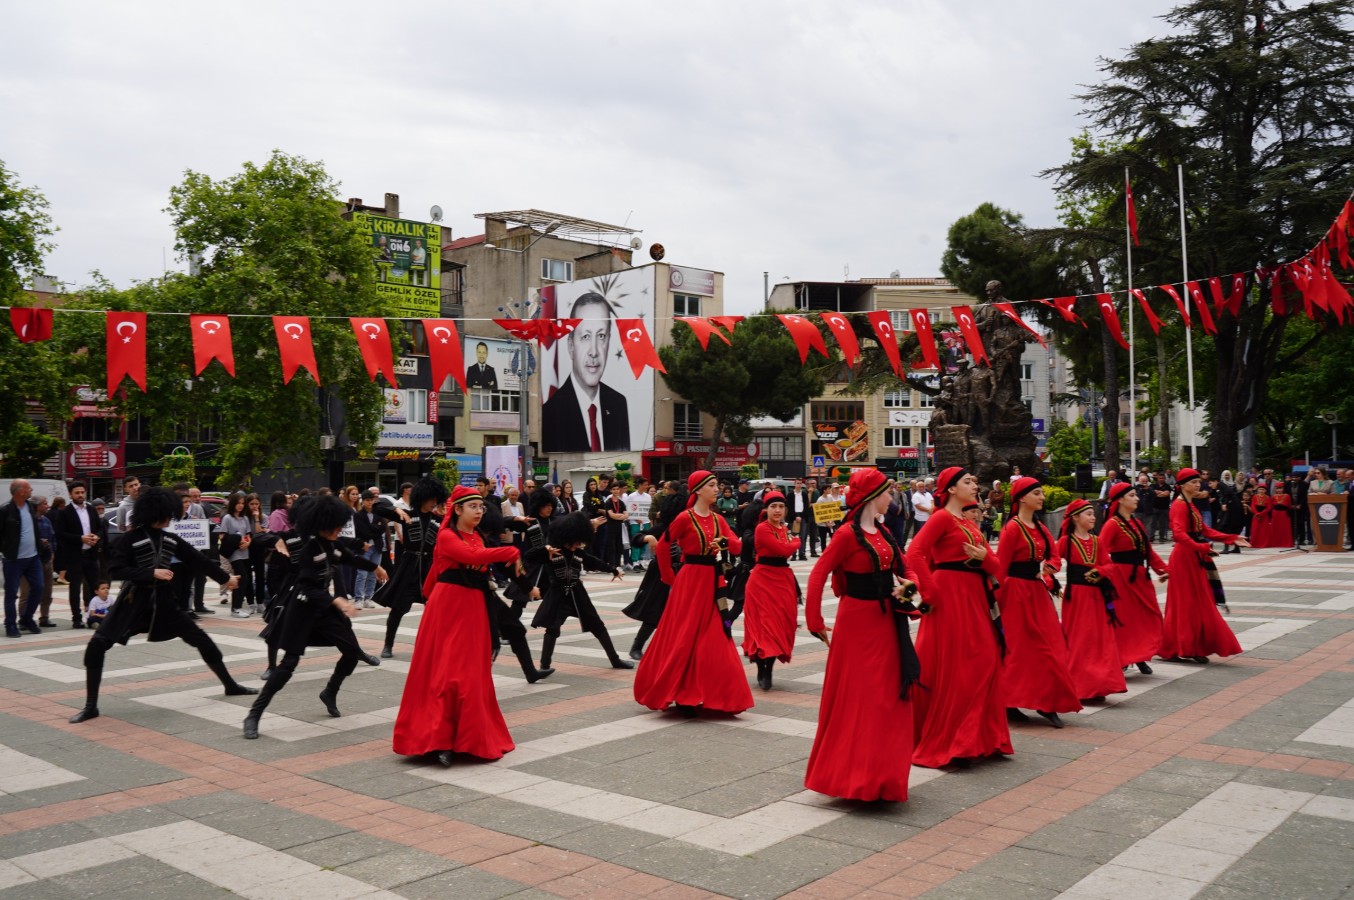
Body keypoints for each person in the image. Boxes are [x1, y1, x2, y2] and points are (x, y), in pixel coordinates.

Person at [68, 487, 256, 724]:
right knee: (96, 645)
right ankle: (90, 706)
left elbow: (197, 560)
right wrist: (150, 573)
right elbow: (116, 570)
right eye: (168, 514)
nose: (171, 518)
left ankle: (230, 685)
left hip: (165, 603)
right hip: (133, 602)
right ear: (155, 513)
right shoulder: (130, 539)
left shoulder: (170, 538)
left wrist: (225, 578)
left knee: (201, 639)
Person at [804, 470, 920, 800]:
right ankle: (854, 776)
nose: (892, 497)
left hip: (886, 623)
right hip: (857, 624)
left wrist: (912, 586)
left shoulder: (883, 531)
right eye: (888, 492)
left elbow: (906, 567)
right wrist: (816, 622)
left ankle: (882, 775)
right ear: (872, 496)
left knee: (887, 699)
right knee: (862, 699)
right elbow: (818, 574)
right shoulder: (846, 535)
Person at [392, 485, 522, 763]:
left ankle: (467, 739)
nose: (479, 511)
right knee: (447, 672)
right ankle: (440, 740)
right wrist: (510, 552)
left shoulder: (476, 537)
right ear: (458, 509)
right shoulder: (447, 535)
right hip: (449, 607)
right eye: (473, 507)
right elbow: (473, 559)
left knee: (472, 671)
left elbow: (482, 566)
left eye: (481, 507)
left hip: (473, 606)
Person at [242, 495, 386, 739]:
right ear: (322, 525)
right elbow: (307, 586)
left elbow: (351, 557)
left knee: (351, 652)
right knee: (288, 665)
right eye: (336, 526)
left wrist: (376, 567)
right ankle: (254, 714)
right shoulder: (310, 548)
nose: (339, 529)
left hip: (324, 610)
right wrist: (336, 600)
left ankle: (330, 691)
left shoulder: (332, 544)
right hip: (302, 609)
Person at [907, 467, 1012, 768]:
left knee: (986, 660)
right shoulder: (940, 517)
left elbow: (997, 567)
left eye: (975, 481)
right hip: (950, 595)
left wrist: (983, 558)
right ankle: (957, 741)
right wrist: (930, 593)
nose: (974, 485)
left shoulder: (969, 523)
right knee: (960, 665)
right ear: (950, 488)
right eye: (968, 482)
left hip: (973, 595)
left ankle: (982, 738)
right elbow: (915, 553)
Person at [633, 470, 753, 717]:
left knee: (716, 633)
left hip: (713, 580)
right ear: (697, 489)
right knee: (685, 634)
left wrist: (724, 542)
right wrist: (669, 577)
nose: (716, 488)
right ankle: (683, 694)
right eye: (711, 485)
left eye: (716, 485)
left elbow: (737, 546)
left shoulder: (719, 519)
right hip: (689, 581)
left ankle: (714, 693)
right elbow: (665, 544)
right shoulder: (685, 518)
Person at [994, 477, 1081, 727]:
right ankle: (1012, 700)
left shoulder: (1041, 527)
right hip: (1016, 594)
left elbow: (1054, 555)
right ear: (1022, 498)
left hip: (1036, 592)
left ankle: (1047, 699)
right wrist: (994, 600)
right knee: (1021, 649)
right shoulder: (1012, 528)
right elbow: (1001, 566)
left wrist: (1049, 569)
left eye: (1042, 493)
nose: (1042, 497)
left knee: (1051, 644)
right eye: (1037, 493)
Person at [1160, 468, 1248, 663]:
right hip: (1185, 557)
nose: (1198, 485)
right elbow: (1179, 534)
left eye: (1199, 481)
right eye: (1193, 482)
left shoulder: (1191, 505)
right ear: (1182, 485)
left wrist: (1232, 538)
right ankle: (1185, 646)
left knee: (1199, 602)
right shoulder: (1180, 505)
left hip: (1194, 556)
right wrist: (1201, 547)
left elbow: (1205, 530)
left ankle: (1192, 645)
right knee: (1187, 603)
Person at [528, 511, 632, 670]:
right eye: (575, 541)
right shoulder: (552, 551)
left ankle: (615, 660)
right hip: (558, 594)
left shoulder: (578, 552)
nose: (578, 544)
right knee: (553, 629)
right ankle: (544, 665)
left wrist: (613, 570)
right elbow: (528, 557)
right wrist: (544, 550)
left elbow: (594, 561)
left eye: (580, 541)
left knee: (598, 625)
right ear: (566, 537)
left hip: (578, 594)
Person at [1056, 499, 1127, 704]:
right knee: (1079, 640)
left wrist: (1100, 571)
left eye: (1093, 514)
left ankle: (1098, 684)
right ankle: (1079, 686)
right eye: (1088, 514)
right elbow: (1051, 561)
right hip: (1076, 598)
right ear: (1075, 518)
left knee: (1099, 640)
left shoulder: (1098, 542)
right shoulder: (1066, 542)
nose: (1093, 517)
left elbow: (1109, 565)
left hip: (1097, 597)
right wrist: (1051, 580)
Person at [541, 292, 631, 452]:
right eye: (585, 337)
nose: (594, 351)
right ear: (570, 346)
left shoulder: (618, 404)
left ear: (609, 341)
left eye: (601, 336)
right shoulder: (551, 412)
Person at [1098, 482, 1167, 674]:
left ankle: (1140, 654)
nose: (1137, 499)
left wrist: (1163, 569)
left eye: (1136, 495)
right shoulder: (1112, 524)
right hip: (1121, 578)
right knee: (1125, 619)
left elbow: (1148, 551)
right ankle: (1126, 657)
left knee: (1148, 616)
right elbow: (1100, 550)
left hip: (1140, 577)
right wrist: (1102, 573)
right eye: (1132, 495)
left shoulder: (1136, 523)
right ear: (1120, 500)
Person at [375, 477, 447, 659]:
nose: (434, 503)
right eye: (432, 499)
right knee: (398, 608)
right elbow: (376, 507)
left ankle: (434, 644)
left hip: (430, 568)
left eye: (436, 499)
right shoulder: (407, 514)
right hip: (409, 567)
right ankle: (388, 644)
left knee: (436, 609)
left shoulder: (439, 519)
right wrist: (397, 509)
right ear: (423, 497)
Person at [742, 491, 802, 691]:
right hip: (762, 581)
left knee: (781, 624)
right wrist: (796, 541)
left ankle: (769, 668)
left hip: (783, 580)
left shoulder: (784, 529)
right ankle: (763, 669)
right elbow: (783, 550)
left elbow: (784, 549)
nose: (777, 511)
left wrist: (791, 540)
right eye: (773, 506)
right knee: (763, 626)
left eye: (781, 507)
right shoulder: (762, 528)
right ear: (766, 509)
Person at [622, 484, 686, 660]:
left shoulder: (690, 529)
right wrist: (648, 538)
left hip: (685, 575)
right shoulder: (664, 528)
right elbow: (636, 538)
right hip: (661, 576)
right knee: (654, 612)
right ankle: (637, 646)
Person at [54, 480, 105, 629]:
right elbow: (60, 533)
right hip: (75, 555)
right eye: (77, 493)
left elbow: (101, 528)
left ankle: (94, 616)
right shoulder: (64, 512)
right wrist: (80, 538)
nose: (80, 495)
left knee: (95, 586)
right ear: (71, 494)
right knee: (75, 587)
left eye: (82, 492)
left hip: (91, 554)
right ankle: (76, 618)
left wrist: (97, 536)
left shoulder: (91, 510)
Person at [1, 479, 45, 638]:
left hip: (33, 557)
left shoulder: (31, 507)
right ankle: (10, 624)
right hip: (13, 560)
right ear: (20, 491)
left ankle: (26, 619)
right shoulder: (5, 510)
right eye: (28, 488)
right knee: (11, 593)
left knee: (39, 588)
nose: (31, 490)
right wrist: (5, 550)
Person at [19, 496, 57, 628]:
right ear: (37, 506)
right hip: (30, 561)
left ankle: (44, 617)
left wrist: (52, 552)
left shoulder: (47, 520)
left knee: (47, 591)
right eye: (44, 504)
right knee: (27, 591)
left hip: (46, 560)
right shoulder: (28, 521)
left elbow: (53, 538)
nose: (47, 506)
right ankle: (23, 619)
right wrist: (39, 541)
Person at [219, 493, 256, 618]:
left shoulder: (245, 518)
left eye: (242, 503)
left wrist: (248, 542)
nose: (240, 506)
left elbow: (249, 534)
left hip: (245, 552)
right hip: (234, 553)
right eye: (238, 503)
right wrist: (236, 540)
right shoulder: (227, 518)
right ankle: (235, 608)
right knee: (242, 577)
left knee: (245, 579)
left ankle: (237, 607)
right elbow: (222, 536)